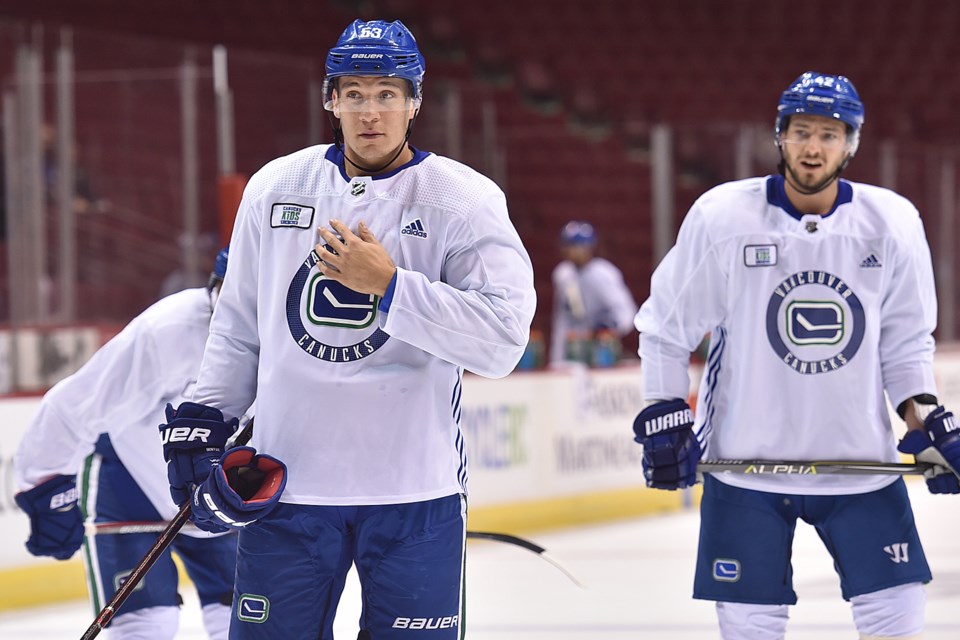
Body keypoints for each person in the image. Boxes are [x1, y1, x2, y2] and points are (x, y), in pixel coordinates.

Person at [157, 19, 535, 640]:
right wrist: (208, 414)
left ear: (415, 101)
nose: (370, 112)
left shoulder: (462, 200)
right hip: (286, 487)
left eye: (387, 93)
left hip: (415, 491)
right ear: (330, 99)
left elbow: (502, 342)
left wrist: (390, 287)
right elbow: (239, 327)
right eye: (354, 93)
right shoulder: (276, 187)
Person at [632, 72, 960, 640]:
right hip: (747, 467)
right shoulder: (724, 217)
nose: (813, 147)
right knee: (750, 628)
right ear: (778, 136)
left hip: (859, 465)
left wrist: (926, 419)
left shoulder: (893, 223)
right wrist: (665, 414)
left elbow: (905, 343)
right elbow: (666, 326)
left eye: (830, 134)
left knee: (899, 617)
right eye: (801, 131)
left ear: (852, 143)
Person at [13, 247, 237, 639]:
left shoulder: (290, 339)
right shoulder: (168, 331)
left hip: (225, 495)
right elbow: (78, 404)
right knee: (145, 628)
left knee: (244, 627)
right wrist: (43, 485)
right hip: (132, 481)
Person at [550, 220, 637, 366]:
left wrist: (610, 326)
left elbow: (627, 313)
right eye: (569, 246)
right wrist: (556, 359)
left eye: (577, 246)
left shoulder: (603, 273)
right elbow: (561, 320)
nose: (572, 251)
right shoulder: (563, 274)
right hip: (573, 348)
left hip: (601, 348)